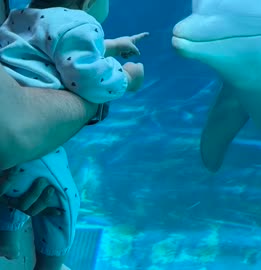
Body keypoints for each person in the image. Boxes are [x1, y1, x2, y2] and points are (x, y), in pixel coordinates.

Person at [0, 0, 147, 269]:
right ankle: (51, 265)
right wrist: (128, 77)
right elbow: (92, 80)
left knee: (13, 188)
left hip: (14, 154)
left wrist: (110, 45)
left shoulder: (20, 15)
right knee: (65, 201)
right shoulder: (83, 23)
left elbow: (46, 44)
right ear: (89, 2)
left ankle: (7, 235)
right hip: (34, 146)